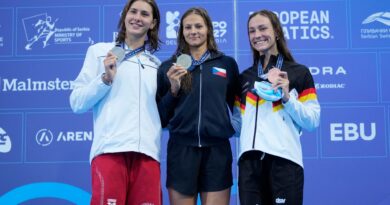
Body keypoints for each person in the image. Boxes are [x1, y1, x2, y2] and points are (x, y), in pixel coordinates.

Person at [69, 0, 162, 204]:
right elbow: (76, 102)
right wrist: (105, 79)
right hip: (110, 151)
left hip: (147, 154)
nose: (137, 18)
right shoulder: (99, 52)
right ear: (124, 15)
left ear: (153, 23)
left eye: (144, 14)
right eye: (133, 12)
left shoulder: (157, 66)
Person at [234, 10, 321, 205]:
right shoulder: (244, 78)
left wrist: (287, 97)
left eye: (263, 28)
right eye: (252, 31)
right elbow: (238, 125)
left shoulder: (299, 73)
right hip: (249, 164)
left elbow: (312, 121)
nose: (257, 35)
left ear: (277, 32)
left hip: (284, 162)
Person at [156, 7, 239, 205]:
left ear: (208, 29)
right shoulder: (168, 67)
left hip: (217, 152)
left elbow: (238, 106)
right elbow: (160, 117)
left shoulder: (227, 64)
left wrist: (227, 128)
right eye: (188, 27)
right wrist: (174, 90)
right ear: (182, 32)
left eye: (198, 26)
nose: (194, 31)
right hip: (181, 152)